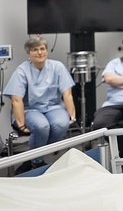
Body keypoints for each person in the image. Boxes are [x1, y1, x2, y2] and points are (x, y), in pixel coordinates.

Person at [2, 37, 76, 172]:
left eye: (42, 49)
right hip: (31, 110)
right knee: (42, 126)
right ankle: (36, 161)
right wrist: (21, 125)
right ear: (29, 53)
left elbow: (67, 93)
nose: (39, 52)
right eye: (35, 49)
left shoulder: (57, 67)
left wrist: (71, 115)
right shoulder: (22, 71)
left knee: (61, 124)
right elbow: (16, 99)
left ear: (47, 51)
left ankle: (34, 156)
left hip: (53, 107)